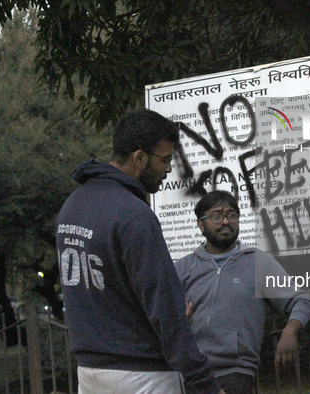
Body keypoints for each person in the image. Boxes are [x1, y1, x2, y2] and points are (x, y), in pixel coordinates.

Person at [55, 108, 224, 394]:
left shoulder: (70, 207)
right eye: (166, 159)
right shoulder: (134, 214)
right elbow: (164, 306)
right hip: (142, 375)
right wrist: (202, 381)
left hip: (90, 374)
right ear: (139, 158)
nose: (169, 169)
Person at [175, 190, 310, 394]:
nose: (225, 221)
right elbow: (160, 315)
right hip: (188, 375)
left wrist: (290, 331)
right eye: (216, 215)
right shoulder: (184, 267)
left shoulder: (258, 263)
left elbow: (302, 302)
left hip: (234, 376)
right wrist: (178, 321)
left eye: (231, 215)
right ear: (201, 224)